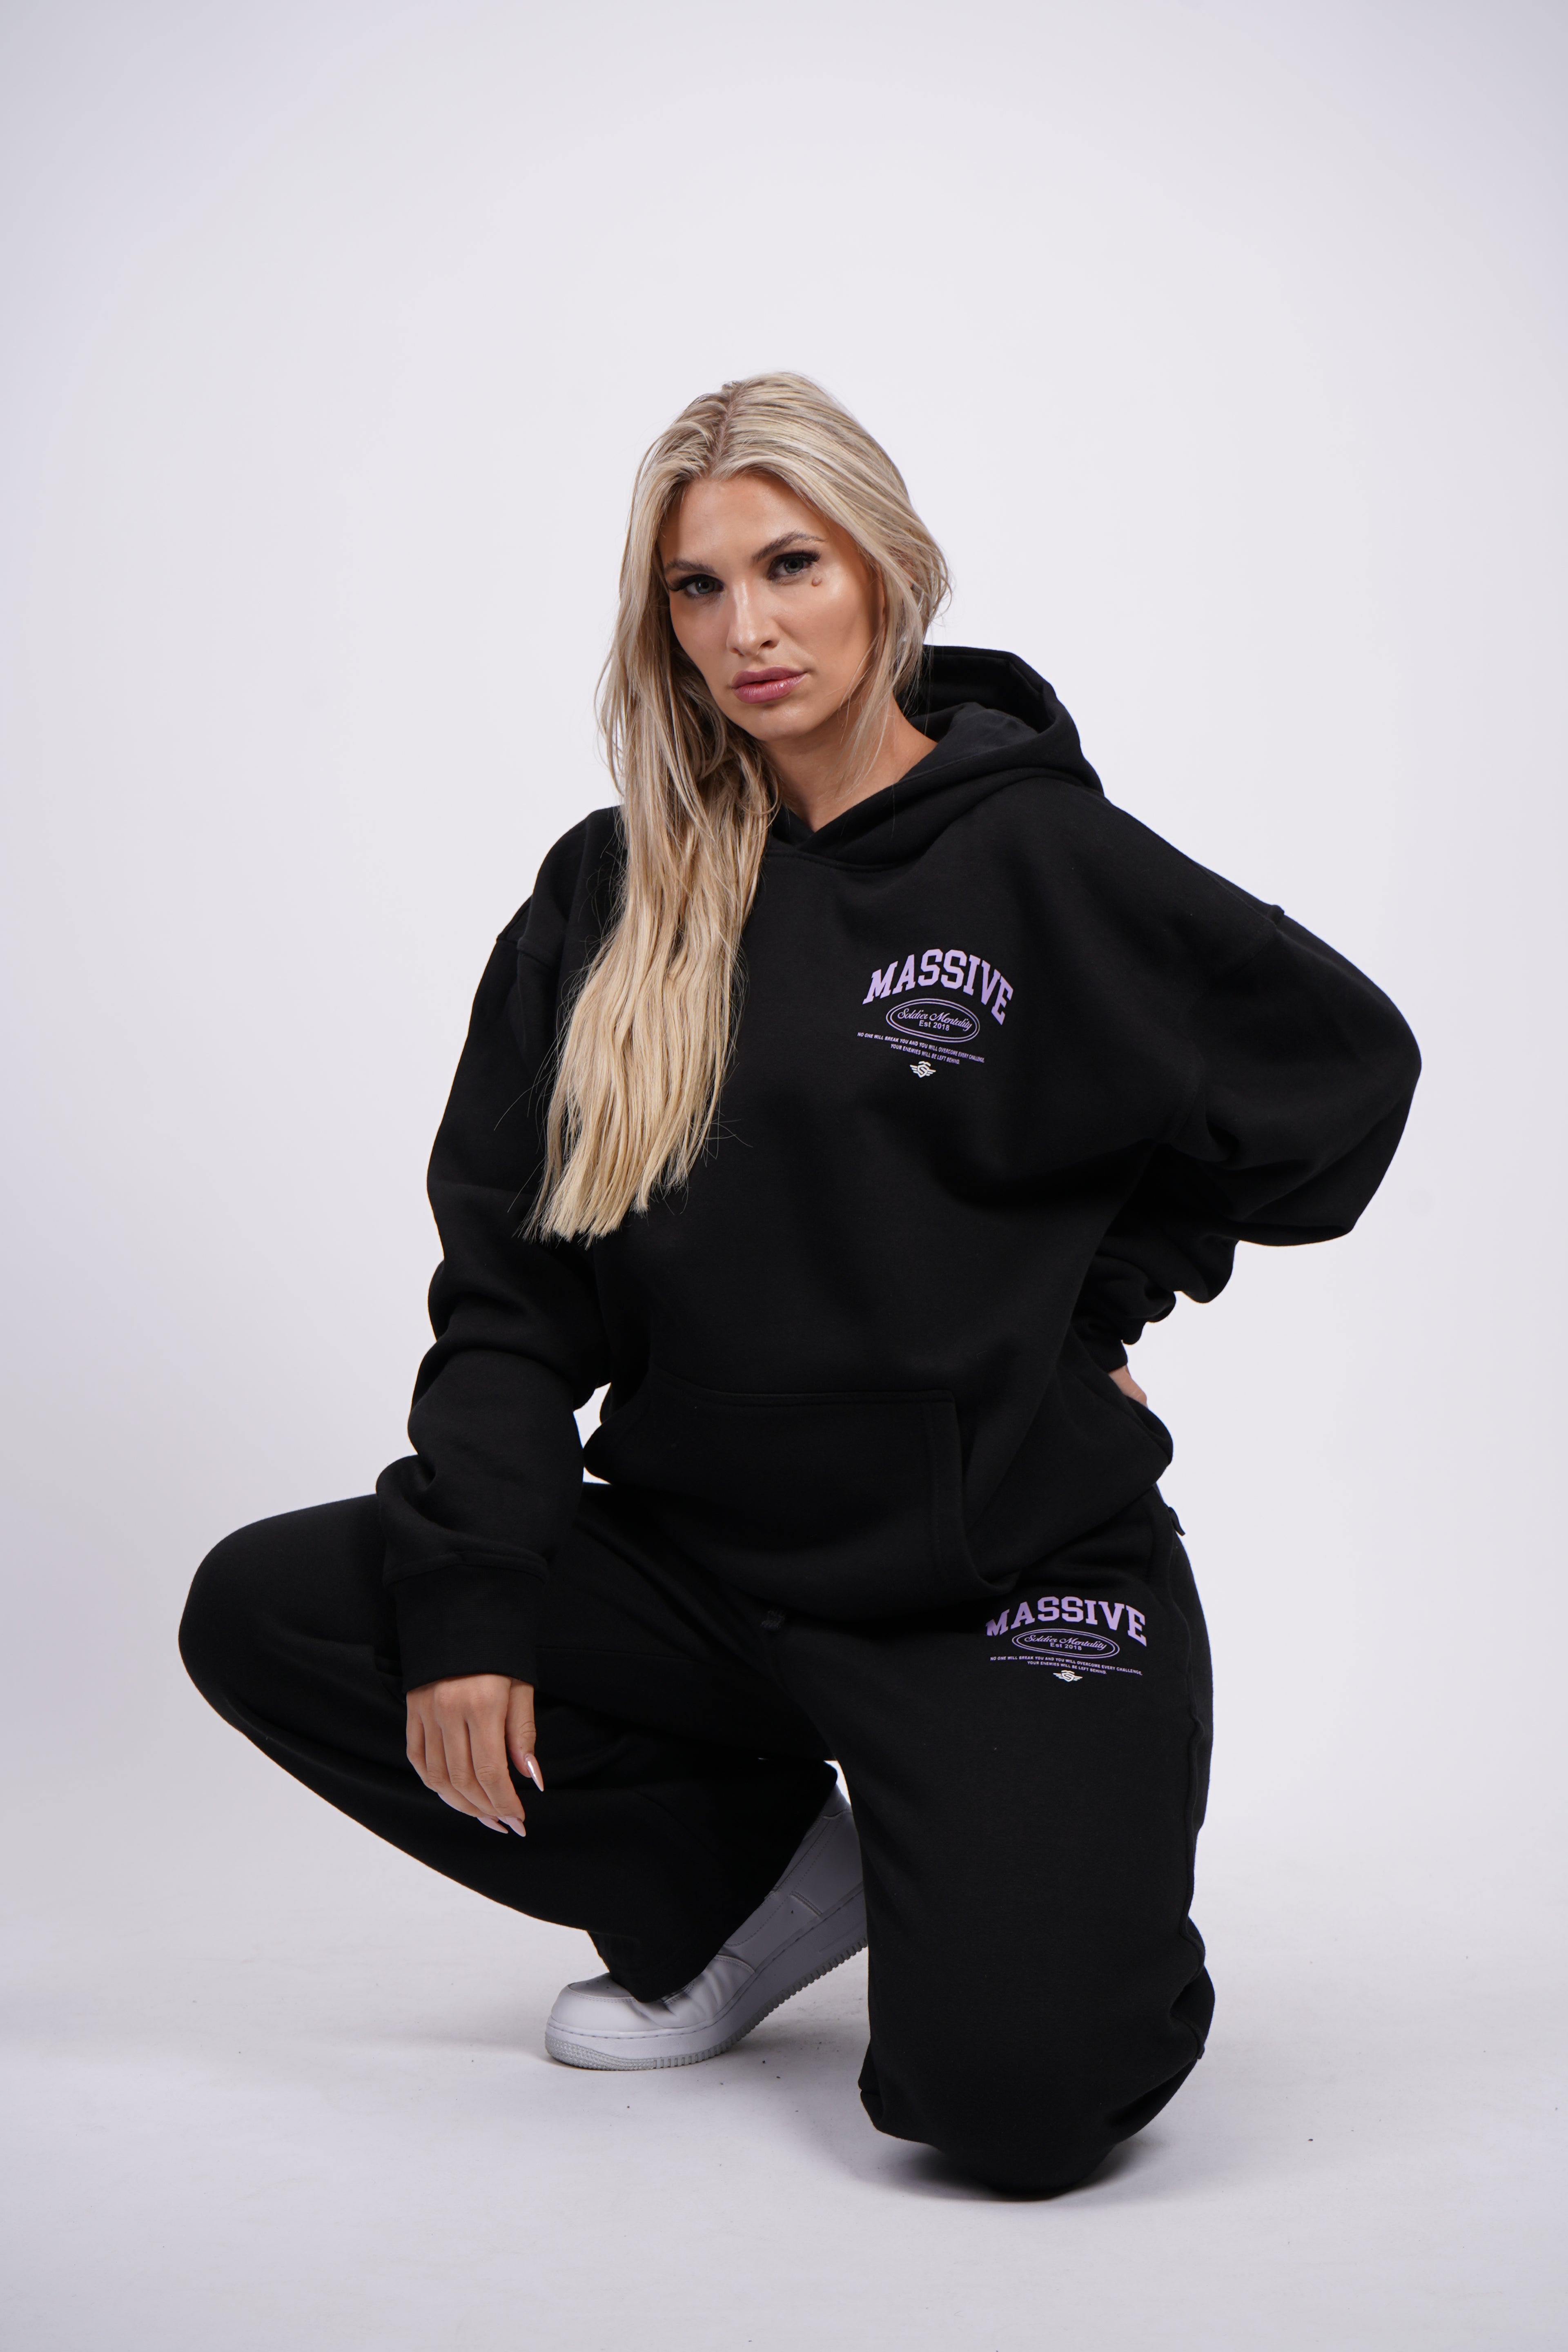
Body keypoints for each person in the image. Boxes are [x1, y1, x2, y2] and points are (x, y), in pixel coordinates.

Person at [180, 372, 1420, 2194]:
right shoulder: (613, 894)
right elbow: (513, 1290)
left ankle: (993, 1860)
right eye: (698, 588)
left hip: (999, 1573)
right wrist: (475, 1599)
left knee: (1021, 2110)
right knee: (276, 1611)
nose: (747, 628)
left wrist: (1096, 1299)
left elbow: (1341, 1083)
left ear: (886, 572)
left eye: (791, 567)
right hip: (706, 1561)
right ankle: (745, 1886)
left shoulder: (1045, 859)